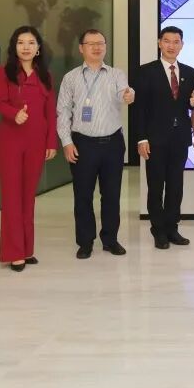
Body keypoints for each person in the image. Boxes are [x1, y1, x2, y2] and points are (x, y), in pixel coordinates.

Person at [56, 29, 134, 259]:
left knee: (111, 195)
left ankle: (110, 239)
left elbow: (124, 93)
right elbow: (63, 112)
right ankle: (85, 242)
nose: (97, 47)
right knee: (83, 195)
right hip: (82, 144)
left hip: (112, 143)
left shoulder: (116, 74)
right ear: (81, 48)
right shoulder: (70, 77)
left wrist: (129, 95)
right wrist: (66, 142)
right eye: (91, 44)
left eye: (101, 43)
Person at [0, 26, 58, 272]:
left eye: (31, 42)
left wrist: (51, 142)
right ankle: (14, 253)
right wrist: (14, 114)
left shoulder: (46, 75)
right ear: (14, 46)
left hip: (36, 142)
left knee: (28, 197)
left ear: (38, 48)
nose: (26, 47)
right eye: (21, 42)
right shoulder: (3, 72)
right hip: (10, 141)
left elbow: (50, 111)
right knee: (12, 197)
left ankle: (27, 249)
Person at [132, 26, 194, 249]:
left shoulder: (190, 72)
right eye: (167, 41)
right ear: (159, 43)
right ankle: (158, 230)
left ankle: (172, 228)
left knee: (175, 185)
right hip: (154, 139)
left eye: (176, 41)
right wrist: (141, 138)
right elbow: (138, 108)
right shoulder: (145, 71)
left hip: (179, 138)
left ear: (182, 45)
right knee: (155, 186)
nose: (172, 45)